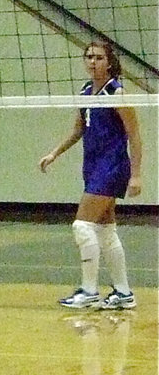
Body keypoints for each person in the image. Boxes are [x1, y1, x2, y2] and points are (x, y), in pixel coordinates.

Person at [40, 40, 143, 310]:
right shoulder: (86, 91)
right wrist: (55, 153)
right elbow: (78, 130)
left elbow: (134, 135)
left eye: (98, 57)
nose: (92, 61)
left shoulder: (116, 92)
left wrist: (136, 175)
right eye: (88, 57)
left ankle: (89, 291)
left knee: (82, 226)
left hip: (112, 167)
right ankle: (123, 293)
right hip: (93, 166)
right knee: (105, 231)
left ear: (109, 62)